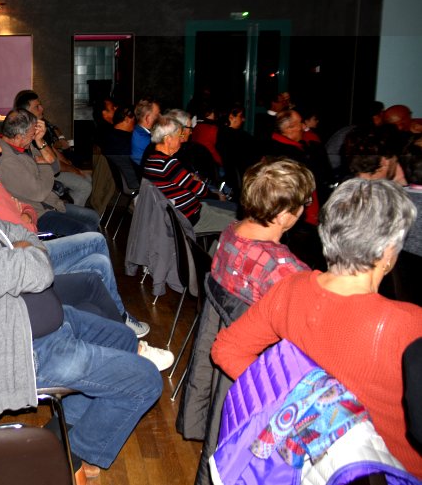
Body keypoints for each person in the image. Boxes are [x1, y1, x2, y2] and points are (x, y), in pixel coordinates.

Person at [0, 151, 167, 481]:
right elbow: (39, 272)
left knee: (124, 338)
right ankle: (71, 455)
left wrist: (24, 251)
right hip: (22, 352)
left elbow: (20, 232)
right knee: (145, 379)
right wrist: (24, 255)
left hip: (34, 324)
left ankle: (62, 430)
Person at [212, 178, 422, 477]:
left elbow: (227, 348)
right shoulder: (409, 325)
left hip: (309, 466)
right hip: (392, 472)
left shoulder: (291, 288)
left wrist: (294, 402)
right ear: (388, 250)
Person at [0, 119, 151, 337]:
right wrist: (27, 214)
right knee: (95, 241)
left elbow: (25, 206)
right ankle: (120, 318)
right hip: (29, 253)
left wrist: (26, 213)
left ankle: (116, 317)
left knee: (97, 249)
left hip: (33, 235)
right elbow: (24, 216)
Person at [210, 159, 313, 305]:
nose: (304, 209)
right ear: (283, 216)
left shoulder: (229, 232)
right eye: (305, 203)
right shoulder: (283, 270)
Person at [0, 109, 101, 236]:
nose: (34, 136)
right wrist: (44, 163)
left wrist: (40, 141)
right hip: (35, 213)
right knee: (85, 229)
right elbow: (39, 193)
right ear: (19, 137)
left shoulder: (23, 145)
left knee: (93, 217)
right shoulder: (6, 160)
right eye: (32, 134)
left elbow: (55, 166)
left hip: (49, 204)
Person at [143, 115, 236, 234]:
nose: (181, 140)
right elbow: (200, 191)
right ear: (168, 139)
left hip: (185, 213)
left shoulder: (151, 160)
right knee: (237, 226)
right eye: (179, 136)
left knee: (233, 216)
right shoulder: (168, 164)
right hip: (192, 219)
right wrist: (200, 183)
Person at [14, 89, 92, 206]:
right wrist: (74, 170)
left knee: (87, 178)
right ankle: (71, 212)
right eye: (37, 107)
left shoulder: (40, 125)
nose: (42, 108)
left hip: (53, 169)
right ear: (26, 112)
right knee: (85, 186)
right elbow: (52, 163)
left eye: (40, 105)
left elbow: (53, 151)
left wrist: (70, 166)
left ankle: (70, 206)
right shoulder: (27, 133)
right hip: (44, 173)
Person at [131, 98, 160, 166]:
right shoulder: (146, 139)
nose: (159, 118)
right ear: (148, 118)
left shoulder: (136, 129)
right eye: (157, 115)